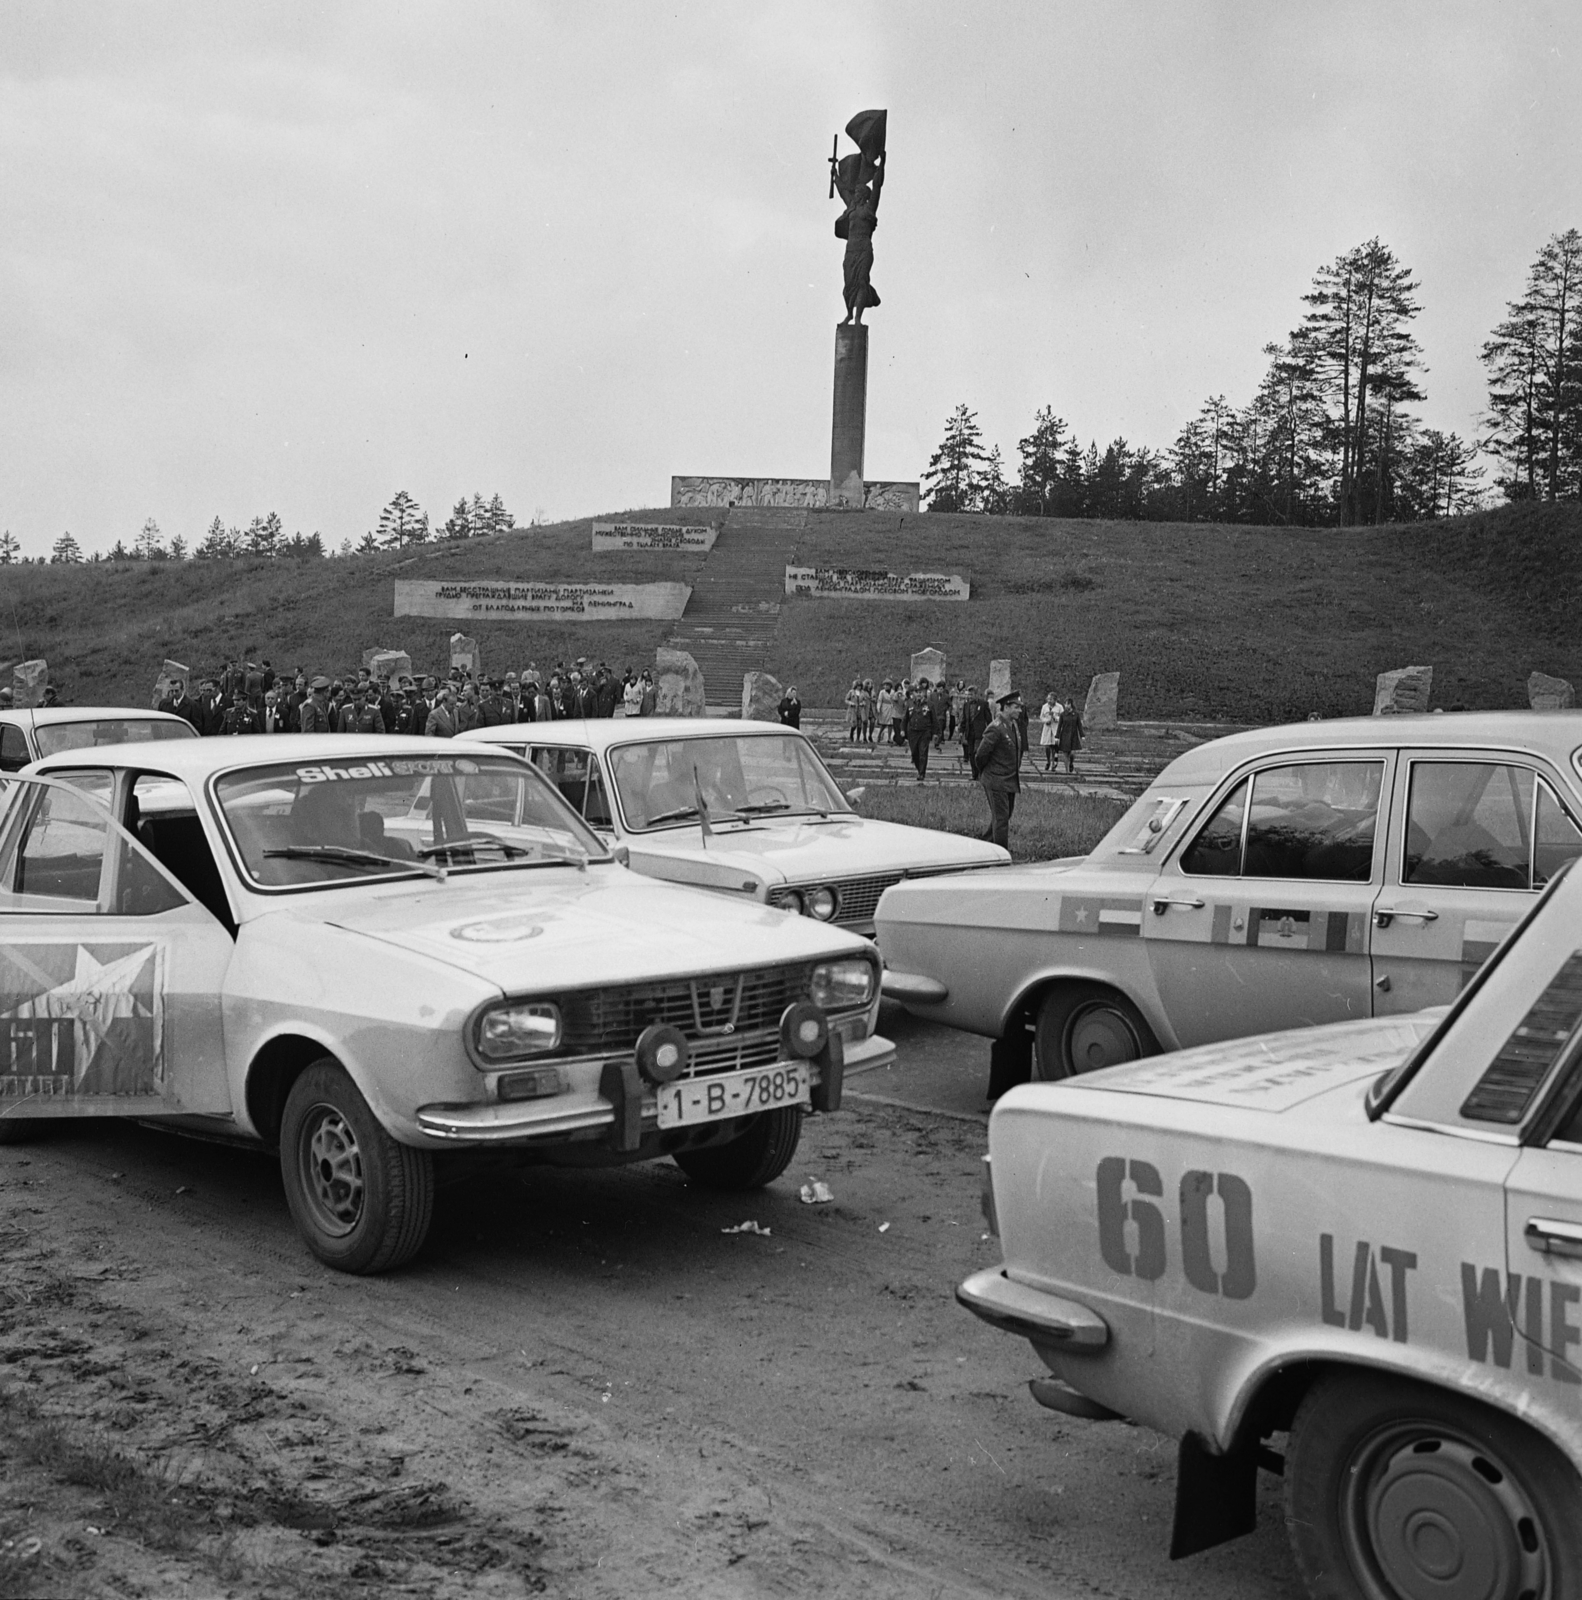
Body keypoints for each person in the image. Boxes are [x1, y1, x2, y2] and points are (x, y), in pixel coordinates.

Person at [976, 691, 1022, 849]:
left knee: (1004, 816)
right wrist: (988, 773)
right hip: (996, 781)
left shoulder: (1012, 725)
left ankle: (983, 846)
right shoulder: (995, 728)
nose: (1020, 710)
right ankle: (1001, 855)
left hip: (1008, 780)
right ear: (1006, 707)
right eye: (1016, 707)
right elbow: (980, 755)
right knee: (1001, 819)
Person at [904, 687, 934, 783]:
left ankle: (922, 773)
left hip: (924, 732)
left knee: (923, 753)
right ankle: (919, 768)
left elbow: (934, 720)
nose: (919, 694)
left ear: (924, 693)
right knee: (914, 753)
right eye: (917, 692)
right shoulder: (910, 704)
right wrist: (902, 729)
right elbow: (906, 718)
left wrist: (936, 733)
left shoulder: (929, 704)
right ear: (914, 694)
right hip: (913, 732)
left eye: (920, 692)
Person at [960, 685, 990, 778]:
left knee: (978, 752)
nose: (970, 696)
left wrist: (989, 731)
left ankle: (981, 772)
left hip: (979, 733)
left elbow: (988, 719)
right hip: (970, 733)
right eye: (969, 695)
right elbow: (964, 719)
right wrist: (962, 731)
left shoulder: (983, 704)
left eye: (971, 694)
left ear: (976, 694)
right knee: (971, 754)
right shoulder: (966, 705)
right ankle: (974, 774)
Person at [1057, 698, 1084, 774]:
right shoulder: (1063, 714)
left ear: (1071, 704)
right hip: (1065, 735)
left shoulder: (1076, 714)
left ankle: (1071, 763)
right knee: (1065, 753)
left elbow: (1079, 725)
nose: (1066, 705)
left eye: (1068, 704)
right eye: (1065, 704)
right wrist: (1057, 736)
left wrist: (1082, 735)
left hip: (1073, 735)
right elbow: (1059, 726)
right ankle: (1067, 771)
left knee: (1072, 753)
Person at [1039, 692, 1061, 772]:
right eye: (1048, 699)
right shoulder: (1044, 707)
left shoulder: (1059, 707)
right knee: (1047, 746)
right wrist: (1046, 721)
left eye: (1051, 699)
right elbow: (1041, 717)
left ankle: (1053, 763)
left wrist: (1055, 717)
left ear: (1055, 700)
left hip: (1055, 728)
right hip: (1047, 728)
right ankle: (1048, 761)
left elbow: (1062, 717)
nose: (1049, 701)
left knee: (1054, 746)